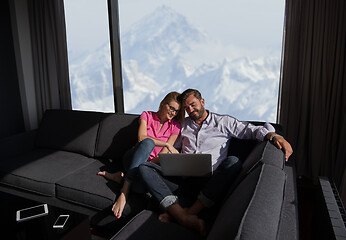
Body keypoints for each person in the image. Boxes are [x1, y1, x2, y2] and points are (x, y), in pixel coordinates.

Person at [138, 89, 293, 236]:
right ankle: (181, 216)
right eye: (186, 108)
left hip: (211, 182)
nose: (191, 110)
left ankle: (187, 213)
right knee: (145, 168)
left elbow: (251, 130)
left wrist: (273, 136)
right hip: (183, 181)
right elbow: (171, 147)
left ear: (202, 101)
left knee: (233, 162)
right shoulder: (183, 125)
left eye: (193, 105)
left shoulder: (223, 122)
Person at [98, 91, 185, 218]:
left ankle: (121, 178)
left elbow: (162, 156)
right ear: (162, 103)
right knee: (148, 143)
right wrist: (165, 144)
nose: (173, 113)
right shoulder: (147, 115)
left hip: (148, 165)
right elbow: (141, 138)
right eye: (171, 108)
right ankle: (124, 191)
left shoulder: (175, 126)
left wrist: (144, 168)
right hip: (132, 158)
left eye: (176, 111)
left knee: (141, 188)